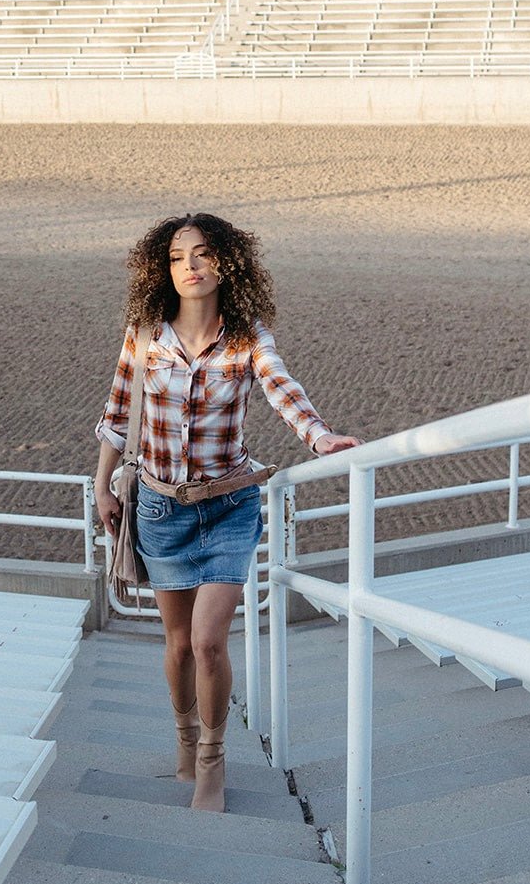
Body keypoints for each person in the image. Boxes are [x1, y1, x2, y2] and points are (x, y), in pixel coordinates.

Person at [94, 212, 361, 813]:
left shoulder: (247, 336)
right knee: (179, 643)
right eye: (177, 257)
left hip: (230, 507)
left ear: (226, 262)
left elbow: (280, 386)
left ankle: (213, 761)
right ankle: (184, 744)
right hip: (161, 510)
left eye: (203, 253)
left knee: (211, 641)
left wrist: (318, 437)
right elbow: (116, 414)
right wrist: (101, 486)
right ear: (162, 271)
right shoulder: (143, 336)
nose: (190, 266)